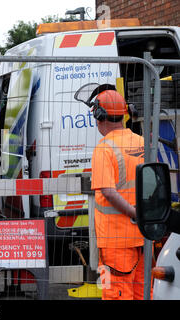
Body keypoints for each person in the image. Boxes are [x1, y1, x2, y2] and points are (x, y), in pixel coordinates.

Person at [86, 88, 146, 300]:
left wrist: (133, 213)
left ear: (99, 116)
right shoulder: (140, 142)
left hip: (114, 243)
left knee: (113, 295)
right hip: (143, 238)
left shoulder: (104, 149)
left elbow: (109, 192)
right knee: (141, 294)